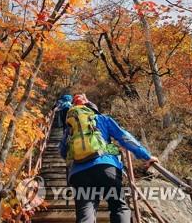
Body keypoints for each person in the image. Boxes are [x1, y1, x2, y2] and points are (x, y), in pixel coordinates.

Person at [59, 94, 159, 223]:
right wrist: (146, 156)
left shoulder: (70, 130)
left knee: (85, 215)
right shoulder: (102, 119)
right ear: (92, 109)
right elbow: (125, 138)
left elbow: (62, 152)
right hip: (106, 167)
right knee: (118, 207)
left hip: (79, 174)